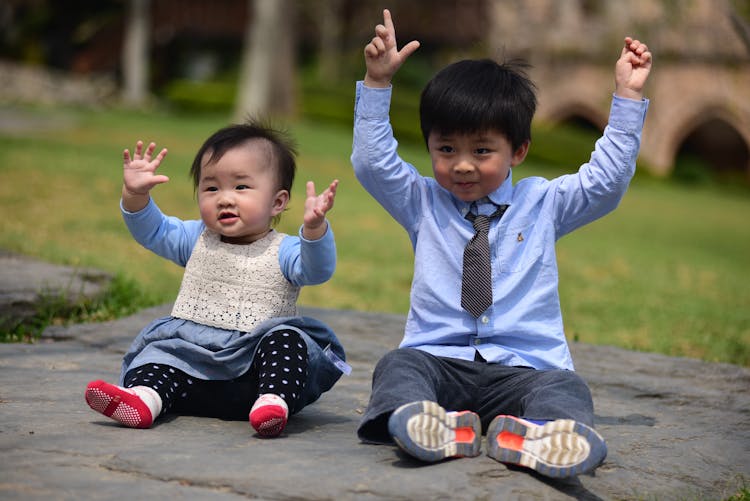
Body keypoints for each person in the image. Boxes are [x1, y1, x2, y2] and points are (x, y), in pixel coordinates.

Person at [352, 9, 652, 478]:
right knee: (398, 367)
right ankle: (433, 425)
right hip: (440, 360)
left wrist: (628, 98)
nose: (463, 166)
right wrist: (376, 84)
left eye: (482, 150)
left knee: (567, 388)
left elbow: (605, 182)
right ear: (429, 146)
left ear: (518, 151)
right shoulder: (423, 203)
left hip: (525, 367)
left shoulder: (544, 203)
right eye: (446, 149)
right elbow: (373, 163)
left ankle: (538, 436)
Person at [85, 119, 347, 438]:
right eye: (211, 188)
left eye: (241, 187)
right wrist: (135, 195)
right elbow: (153, 231)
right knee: (158, 353)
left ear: (277, 201)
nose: (224, 198)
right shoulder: (196, 237)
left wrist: (314, 230)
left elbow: (317, 270)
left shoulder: (286, 249)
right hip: (192, 368)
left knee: (288, 341)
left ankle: (274, 403)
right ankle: (144, 401)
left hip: (251, 376)